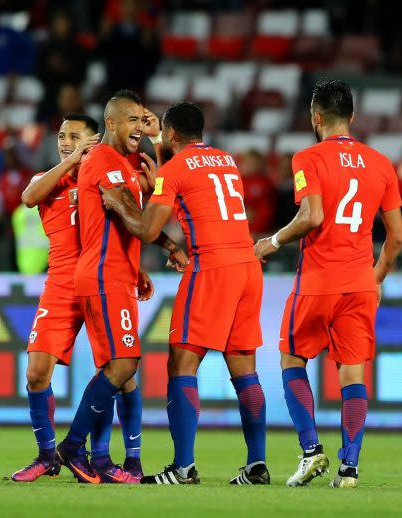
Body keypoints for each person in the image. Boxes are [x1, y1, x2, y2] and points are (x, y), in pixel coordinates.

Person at [100, 101, 269, 485]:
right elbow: (187, 182)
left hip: (212, 269)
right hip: (247, 266)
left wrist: (119, 204)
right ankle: (257, 463)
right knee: (245, 371)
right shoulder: (227, 161)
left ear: (172, 134)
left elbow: (145, 229)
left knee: (180, 365)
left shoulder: (174, 169)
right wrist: (162, 166)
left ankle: (183, 467)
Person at [254, 80, 402, 488]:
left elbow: (312, 216)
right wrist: (374, 278)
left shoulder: (308, 157)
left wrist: (270, 242)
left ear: (316, 118)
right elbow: (396, 237)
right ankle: (350, 468)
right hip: (359, 283)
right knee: (352, 375)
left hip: (318, 281)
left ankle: (310, 451)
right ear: (351, 118)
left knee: (291, 360)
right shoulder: (381, 163)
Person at [54, 90, 186, 484]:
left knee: (119, 370)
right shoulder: (103, 160)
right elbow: (135, 217)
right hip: (102, 274)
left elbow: (147, 207)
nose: (139, 128)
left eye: (143, 120)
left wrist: (158, 146)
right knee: (123, 365)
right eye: (133, 120)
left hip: (118, 274)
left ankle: (107, 458)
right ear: (110, 124)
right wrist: (166, 241)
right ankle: (73, 447)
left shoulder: (128, 164)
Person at [11, 113, 145, 483]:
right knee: (37, 374)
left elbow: (125, 227)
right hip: (61, 285)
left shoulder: (105, 173)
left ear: (95, 139)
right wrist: (71, 160)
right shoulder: (48, 178)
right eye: (61, 135)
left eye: (74, 136)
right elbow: (28, 197)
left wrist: (138, 270)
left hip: (104, 279)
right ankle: (47, 456)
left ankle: (110, 457)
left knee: (120, 374)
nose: (65, 141)